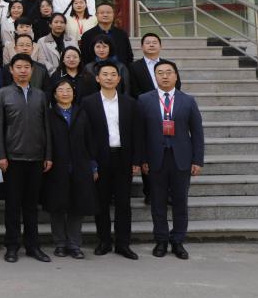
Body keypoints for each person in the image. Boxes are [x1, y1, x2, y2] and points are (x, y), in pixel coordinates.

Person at [77, 61, 144, 259]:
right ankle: (104, 241)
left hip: (123, 158)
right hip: (100, 159)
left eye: (113, 74)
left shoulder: (129, 103)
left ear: (119, 79)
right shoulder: (88, 103)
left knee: (123, 203)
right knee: (102, 203)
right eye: (105, 74)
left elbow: (137, 133)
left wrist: (136, 161)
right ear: (97, 78)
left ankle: (123, 244)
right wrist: (90, 162)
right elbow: (85, 134)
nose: (109, 77)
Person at [0, 53, 53, 263]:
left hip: (36, 158)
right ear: (11, 70)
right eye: (18, 67)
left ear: (32, 70)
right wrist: (0, 156)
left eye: (26, 67)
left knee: (31, 206)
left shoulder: (40, 95)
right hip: (12, 159)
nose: (23, 70)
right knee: (12, 206)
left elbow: (46, 127)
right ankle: (12, 246)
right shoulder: (2, 94)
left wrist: (48, 155)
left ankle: (33, 246)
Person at [140, 60, 204, 260]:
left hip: (181, 159)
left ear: (176, 76)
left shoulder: (188, 100)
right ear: (155, 77)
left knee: (180, 202)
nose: (165, 76)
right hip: (155, 158)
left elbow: (197, 133)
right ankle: (161, 240)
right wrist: (142, 158)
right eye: (160, 73)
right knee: (157, 202)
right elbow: (140, 134)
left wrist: (198, 160)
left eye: (169, 72)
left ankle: (178, 241)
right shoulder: (144, 100)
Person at [45, 78, 95, 259]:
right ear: (54, 94)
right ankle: (59, 243)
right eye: (61, 90)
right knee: (57, 207)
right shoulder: (48, 114)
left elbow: (90, 140)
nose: (65, 93)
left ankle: (74, 244)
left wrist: (93, 166)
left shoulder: (82, 113)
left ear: (74, 94)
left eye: (68, 90)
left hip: (79, 166)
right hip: (56, 167)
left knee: (76, 207)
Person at [129, 32, 181, 98]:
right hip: (144, 102)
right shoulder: (134, 67)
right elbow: (133, 89)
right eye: (148, 43)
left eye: (154, 43)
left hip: (168, 100)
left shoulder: (170, 65)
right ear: (142, 47)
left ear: (160, 46)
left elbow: (177, 84)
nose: (151, 45)